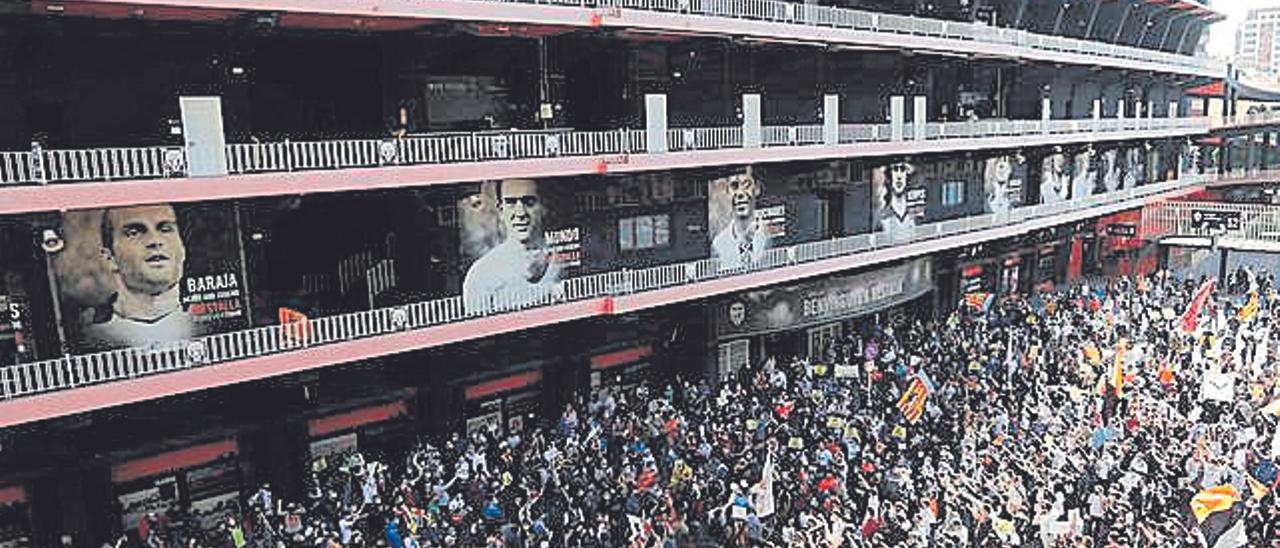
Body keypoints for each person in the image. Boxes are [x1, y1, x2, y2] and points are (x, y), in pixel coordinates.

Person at [81, 203, 195, 350]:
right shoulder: (85, 334)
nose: (155, 241)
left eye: (165, 229)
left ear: (182, 249)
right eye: (134, 232)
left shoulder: (218, 320)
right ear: (110, 258)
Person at [461, 179, 562, 312]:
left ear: (543, 208)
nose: (520, 213)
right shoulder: (481, 275)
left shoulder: (562, 261)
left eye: (529, 202)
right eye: (511, 203)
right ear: (501, 211)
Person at [710, 169, 770, 269]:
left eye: (746, 185)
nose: (740, 193)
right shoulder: (718, 244)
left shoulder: (770, 236)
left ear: (757, 188)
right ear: (728, 192)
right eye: (734, 186)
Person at [877, 160, 917, 238]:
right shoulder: (882, 215)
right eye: (895, 169)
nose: (899, 176)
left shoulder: (914, 210)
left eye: (902, 169)